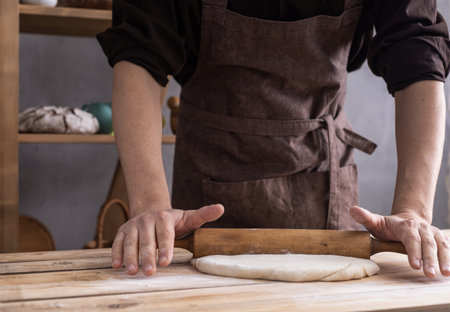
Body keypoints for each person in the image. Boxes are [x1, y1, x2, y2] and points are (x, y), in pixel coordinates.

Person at [97, 0, 450, 278]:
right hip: (207, 176)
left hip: (323, 172)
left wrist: (413, 211)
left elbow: (418, 56)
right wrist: (150, 205)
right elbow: (139, 56)